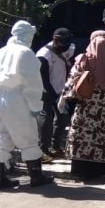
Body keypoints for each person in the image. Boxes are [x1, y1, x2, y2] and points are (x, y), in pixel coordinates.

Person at [0, 20, 53, 189]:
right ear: (26, 35)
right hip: (18, 99)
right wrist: (35, 106)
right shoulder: (25, 52)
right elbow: (32, 83)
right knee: (29, 138)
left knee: (1, 138)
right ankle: (36, 177)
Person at [58, 30, 105, 178]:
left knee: (83, 137)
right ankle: (101, 168)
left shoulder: (83, 60)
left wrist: (64, 98)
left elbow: (71, 83)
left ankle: (81, 169)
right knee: (103, 138)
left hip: (85, 109)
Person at [36, 27, 75, 159]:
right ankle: (43, 149)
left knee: (62, 120)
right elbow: (44, 80)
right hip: (46, 91)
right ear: (55, 41)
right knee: (45, 120)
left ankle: (56, 146)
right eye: (64, 44)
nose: (67, 48)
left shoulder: (68, 48)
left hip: (61, 90)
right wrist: (54, 97)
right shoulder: (43, 56)